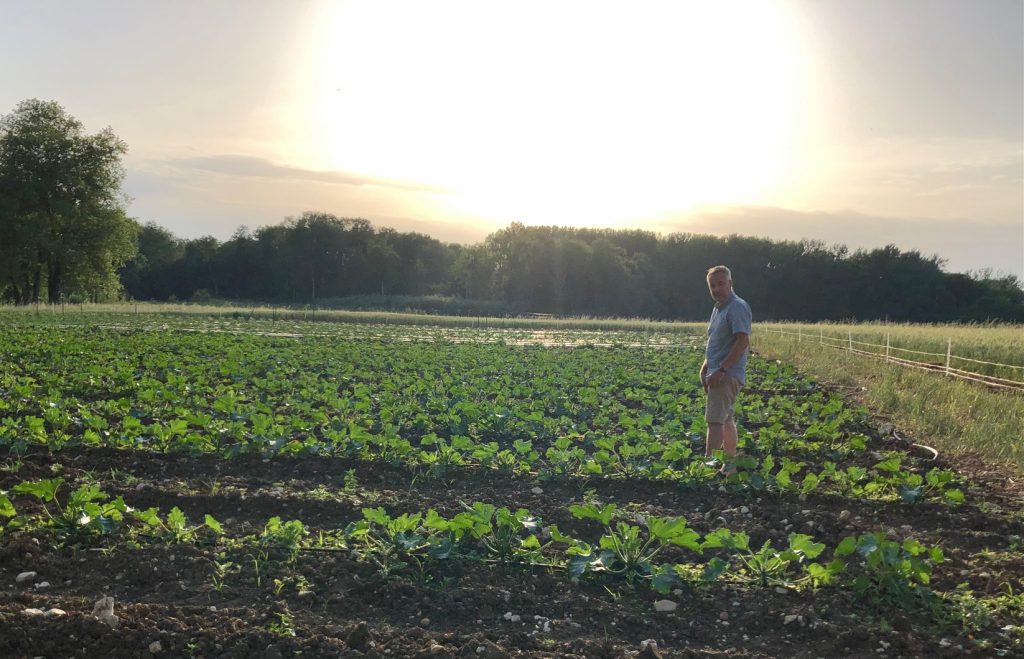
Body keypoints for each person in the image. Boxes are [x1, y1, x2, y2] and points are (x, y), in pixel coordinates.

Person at [699, 265, 752, 469]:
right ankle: (728, 466)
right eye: (712, 285)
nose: (716, 288)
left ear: (730, 283)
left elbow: (742, 341)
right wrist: (705, 366)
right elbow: (718, 341)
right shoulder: (719, 307)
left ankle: (708, 466)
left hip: (726, 374)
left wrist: (721, 370)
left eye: (720, 284)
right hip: (718, 372)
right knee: (725, 418)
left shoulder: (736, 306)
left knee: (714, 421)